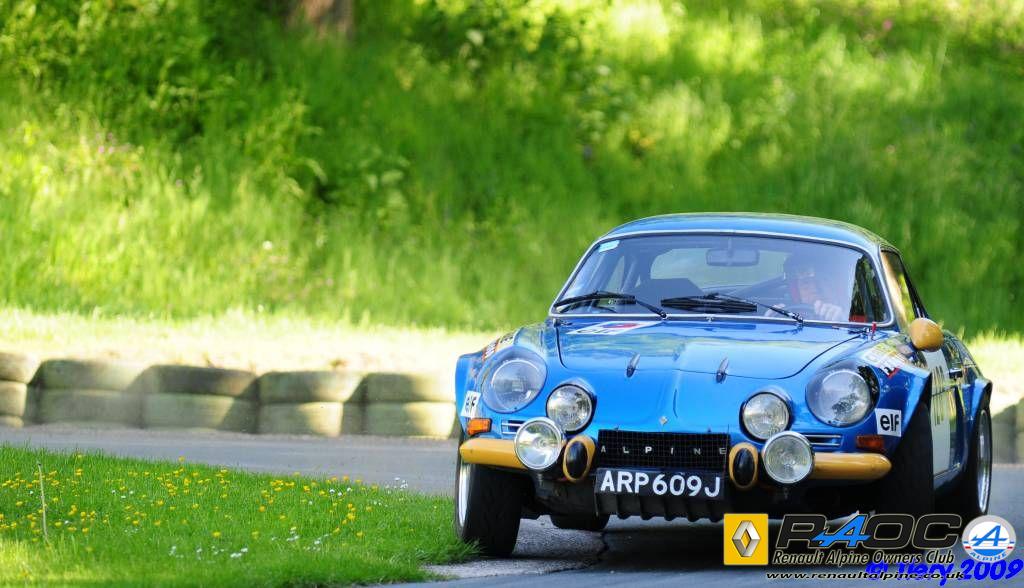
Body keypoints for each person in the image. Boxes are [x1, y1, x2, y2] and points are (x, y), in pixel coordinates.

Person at [779, 252, 847, 321]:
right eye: (805, 283)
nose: (814, 288)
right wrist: (776, 316)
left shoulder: (848, 311)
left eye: (822, 280)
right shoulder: (786, 314)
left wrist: (841, 319)